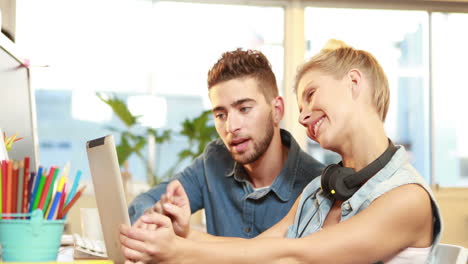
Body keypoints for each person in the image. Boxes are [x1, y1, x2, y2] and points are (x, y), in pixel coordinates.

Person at [120, 40, 442, 264]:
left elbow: (294, 256)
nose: (302, 116)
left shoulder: (408, 198)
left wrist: (177, 252)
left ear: (353, 83)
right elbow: (256, 251)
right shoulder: (320, 190)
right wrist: (183, 235)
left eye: (311, 94)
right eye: (301, 106)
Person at [127, 48, 324, 238]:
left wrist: (186, 238)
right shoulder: (214, 161)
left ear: (277, 110)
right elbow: (143, 203)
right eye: (221, 115)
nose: (231, 127)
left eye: (244, 109)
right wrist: (153, 220)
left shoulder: (317, 185)